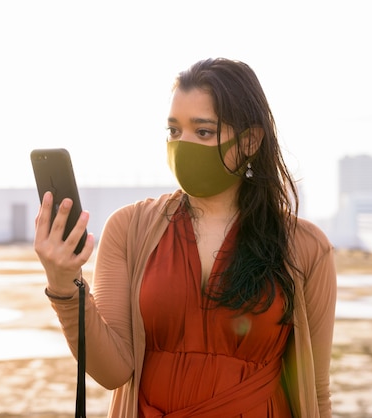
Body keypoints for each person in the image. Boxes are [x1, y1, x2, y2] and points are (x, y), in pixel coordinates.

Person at [34, 58, 337, 417]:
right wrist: (63, 285)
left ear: (251, 140)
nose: (183, 144)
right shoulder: (129, 228)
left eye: (203, 132)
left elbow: (315, 390)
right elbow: (113, 371)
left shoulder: (305, 247)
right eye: (174, 131)